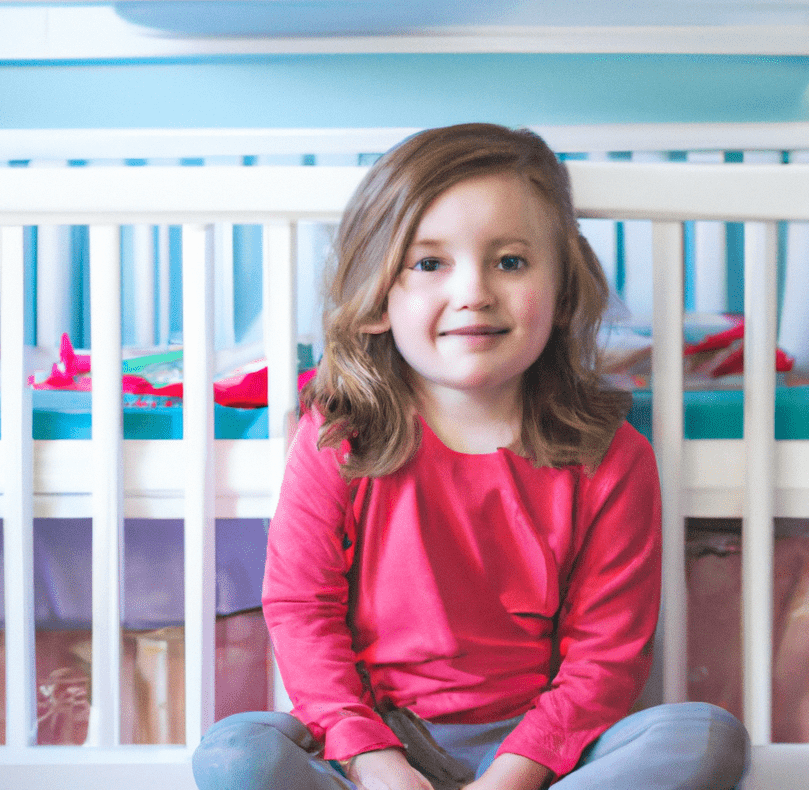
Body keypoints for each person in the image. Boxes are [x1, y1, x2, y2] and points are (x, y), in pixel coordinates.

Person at [192, 123, 749, 790]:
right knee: (234, 754)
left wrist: (513, 775)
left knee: (706, 738)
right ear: (376, 300)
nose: (475, 291)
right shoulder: (338, 441)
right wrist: (376, 763)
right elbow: (301, 611)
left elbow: (605, 659)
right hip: (380, 742)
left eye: (510, 261)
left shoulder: (612, 458)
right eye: (430, 264)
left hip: (539, 751)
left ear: (564, 291)